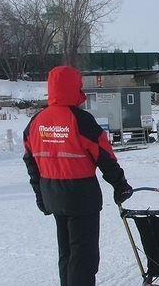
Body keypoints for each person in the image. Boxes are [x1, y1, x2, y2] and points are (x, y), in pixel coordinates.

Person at [23, 66, 133, 286]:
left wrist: (40, 195)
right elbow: (105, 156)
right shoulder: (81, 120)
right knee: (83, 257)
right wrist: (120, 184)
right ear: (74, 87)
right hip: (81, 197)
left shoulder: (36, 121)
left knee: (66, 253)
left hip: (52, 194)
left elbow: (30, 160)